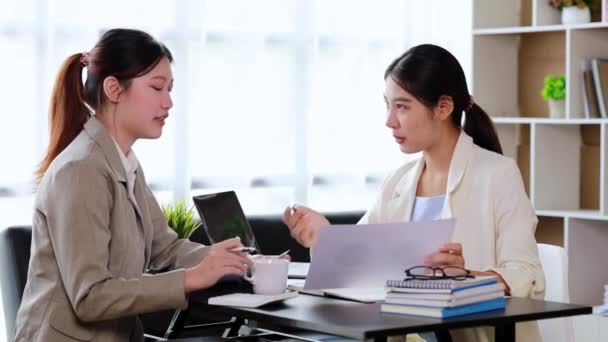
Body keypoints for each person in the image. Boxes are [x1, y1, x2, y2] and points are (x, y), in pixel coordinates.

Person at [283, 44, 545, 342]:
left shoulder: (498, 174)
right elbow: (359, 268)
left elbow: (526, 274)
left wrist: (464, 277)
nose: (389, 121)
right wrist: (325, 237)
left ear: (444, 108)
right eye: (388, 105)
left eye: (402, 106)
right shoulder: (398, 181)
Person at [14, 28, 252, 342]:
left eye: (170, 89)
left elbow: (164, 248)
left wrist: (222, 259)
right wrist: (192, 278)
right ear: (114, 89)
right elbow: (91, 296)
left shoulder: (124, 161)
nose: (168, 102)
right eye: (156, 88)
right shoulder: (81, 170)